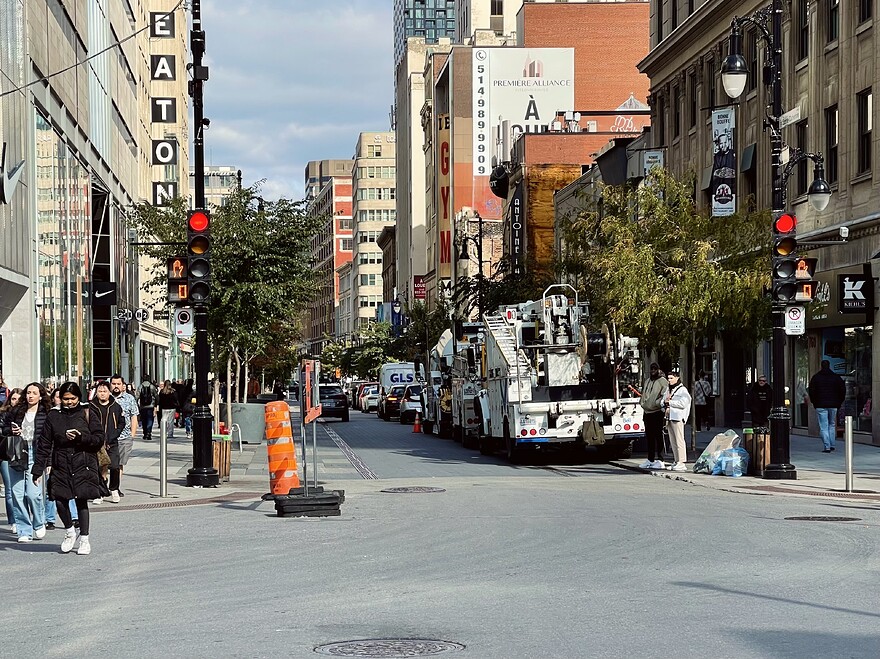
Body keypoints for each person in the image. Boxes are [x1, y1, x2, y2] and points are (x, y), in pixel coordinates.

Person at [32, 382, 107, 555]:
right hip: (61, 462)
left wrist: (81, 437)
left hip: (83, 460)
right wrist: (38, 469)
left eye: (73, 399)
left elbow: (99, 438)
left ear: (79, 398)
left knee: (81, 500)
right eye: (65, 399)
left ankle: (85, 539)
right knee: (59, 498)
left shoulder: (87, 412)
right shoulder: (53, 415)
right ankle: (69, 532)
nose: (69, 402)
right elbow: (44, 443)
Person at [4, 384, 50, 542]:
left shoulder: (46, 413)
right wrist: (11, 431)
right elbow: (3, 427)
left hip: (36, 454)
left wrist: (48, 461)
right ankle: (24, 530)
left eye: (34, 393)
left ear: (41, 396)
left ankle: (38, 522)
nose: (30, 395)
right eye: (28, 392)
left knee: (32, 493)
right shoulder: (16, 411)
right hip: (17, 452)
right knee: (17, 494)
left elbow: (50, 439)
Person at [90, 380, 124, 503]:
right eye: (100, 391)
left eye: (105, 391)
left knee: (115, 466)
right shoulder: (91, 407)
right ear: (96, 393)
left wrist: (115, 433)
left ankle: (114, 489)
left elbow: (122, 422)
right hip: (97, 443)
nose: (102, 394)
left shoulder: (116, 406)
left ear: (109, 392)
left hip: (112, 441)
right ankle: (100, 492)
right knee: (99, 468)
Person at [808, 359, 846, 453]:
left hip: (820, 405)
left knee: (823, 426)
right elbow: (842, 390)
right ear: (829, 366)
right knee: (832, 424)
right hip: (833, 405)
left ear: (821, 366)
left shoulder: (816, 377)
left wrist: (814, 402)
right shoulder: (836, 377)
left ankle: (827, 446)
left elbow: (811, 391)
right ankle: (832, 444)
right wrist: (839, 402)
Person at [109, 374, 138, 495]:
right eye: (114, 384)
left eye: (118, 384)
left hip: (124, 436)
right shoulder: (105, 397)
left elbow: (134, 415)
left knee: (119, 463)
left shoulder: (129, 398)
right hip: (108, 437)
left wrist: (132, 434)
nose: (116, 386)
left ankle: (115, 487)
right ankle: (105, 486)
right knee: (106, 463)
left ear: (123, 386)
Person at [0, 388, 23, 533]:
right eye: (13, 399)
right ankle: (13, 520)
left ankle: (18, 520)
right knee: (9, 489)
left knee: (16, 489)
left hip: (18, 453)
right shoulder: (3, 413)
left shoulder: (25, 414)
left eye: (19, 399)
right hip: (4, 452)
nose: (15, 402)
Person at [639, 363, 669, 470]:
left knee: (658, 436)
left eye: (655, 369)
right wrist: (642, 402)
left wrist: (657, 403)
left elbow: (665, 395)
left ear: (659, 370)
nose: (653, 370)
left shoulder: (662, 381)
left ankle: (660, 459)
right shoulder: (648, 381)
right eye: (651, 368)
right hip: (647, 412)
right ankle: (650, 459)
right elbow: (644, 393)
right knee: (650, 437)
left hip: (657, 412)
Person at [664, 370, 692, 472]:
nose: (669, 380)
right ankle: (676, 460)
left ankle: (681, 461)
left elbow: (683, 403)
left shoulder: (682, 390)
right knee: (673, 440)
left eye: (671, 378)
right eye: (668, 378)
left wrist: (670, 403)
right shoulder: (669, 389)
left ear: (677, 378)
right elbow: (664, 400)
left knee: (679, 439)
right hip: (670, 416)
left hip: (678, 417)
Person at [136, 375, 158, 441]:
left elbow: (137, 397)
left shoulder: (140, 386)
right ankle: (149, 432)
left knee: (144, 420)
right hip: (150, 405)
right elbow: (156, 396)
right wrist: (156, 405)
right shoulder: (152, 386)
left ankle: (145, 433)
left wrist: (137, 405)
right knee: (150, 419)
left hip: (142, 406)